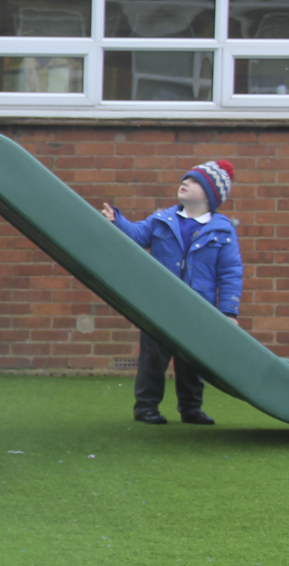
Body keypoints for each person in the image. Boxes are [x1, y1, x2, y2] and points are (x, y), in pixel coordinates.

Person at [101, 160, 242, 425]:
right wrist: (117, 220)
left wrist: (229, 310)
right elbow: (136, 234)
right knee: (153, 358)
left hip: (199, 307)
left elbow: (230, 272)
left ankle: (191, 408)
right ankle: (146, 407)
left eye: (195, 181)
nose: (185, 182)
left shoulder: (222, 232)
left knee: (193, 362)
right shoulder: (162, 220)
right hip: (161, 305)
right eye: (185, 178)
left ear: (211, 195)